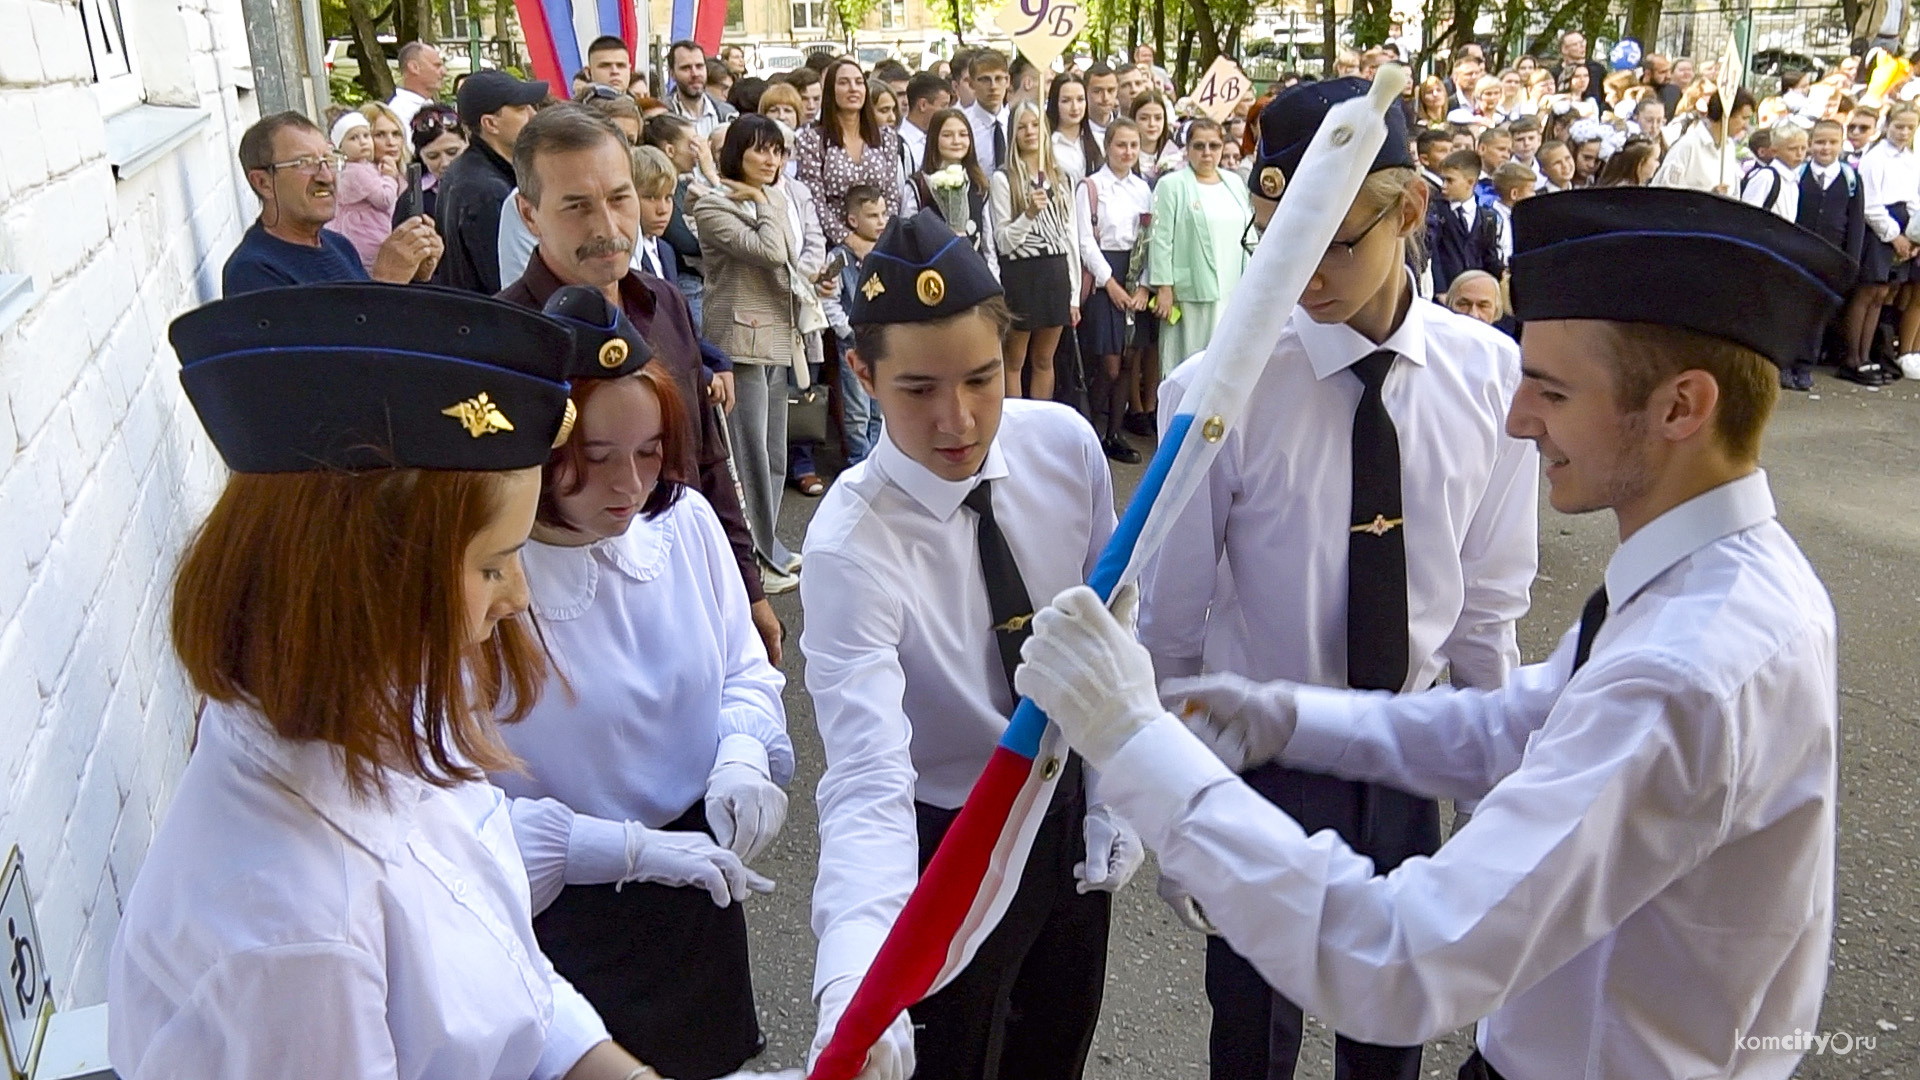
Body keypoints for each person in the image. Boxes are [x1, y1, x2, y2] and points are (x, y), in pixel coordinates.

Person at [1016, 185, 1850, 1080]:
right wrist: (1285, 718)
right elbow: (1516, 723)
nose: (1521, 418)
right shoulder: (1709, 579)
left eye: (1555, 390)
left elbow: (1403, 959)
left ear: (1683, 408)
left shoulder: (1689, 670)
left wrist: (1135, 744)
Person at [111, 283, 659, 1080]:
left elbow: (505, 980)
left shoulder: (388, 712)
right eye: (492, 565)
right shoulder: (297, 937)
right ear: (366, 580)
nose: (519, 598)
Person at [1140, 77, 1538, 1080]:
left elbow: (1487, 613)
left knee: (1391, 1032)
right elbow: (1173, 629)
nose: (1303, 275)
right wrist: (1174, 805)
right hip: (1258, 755)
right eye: (1276, 242)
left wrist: (1504, 792)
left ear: (1408, 210)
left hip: (1410, 748)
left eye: (1332, 243)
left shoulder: (1490, 379)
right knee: (1252, 1035)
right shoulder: (1219, 390)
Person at [803, 208, 1140, 1080]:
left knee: (1057, 1043)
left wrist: (1115, 791)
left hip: (1063, 813)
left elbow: (1114, 625)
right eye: (917, 390)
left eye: (983, 380)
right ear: (862, 375)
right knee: (954, 1055)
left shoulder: (1063, 445)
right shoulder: (850, 544)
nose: (958, 420)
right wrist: (854, 974)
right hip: (945, 840)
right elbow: (868, 775)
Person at [498, 288, 790, 1080]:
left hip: (698, 883)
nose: (629, 485)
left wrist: (740, 756)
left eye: (652, 450)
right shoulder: (492, 576)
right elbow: (452, 800)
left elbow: (742, 670)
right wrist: (617, 850)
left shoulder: (684, 524)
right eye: (595, 461)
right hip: (558, 910)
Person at [499, 105, 784, 662]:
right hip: (572, 623)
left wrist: (745, 587)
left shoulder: (665, 301)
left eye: (619, 197)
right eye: (577, 206)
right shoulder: (502, 339)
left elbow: (706, 456)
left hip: (690, 591)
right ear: (530, 215)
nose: (607, 227)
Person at [694, 115, 811, 585]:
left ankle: (772, 545)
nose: (771, 160)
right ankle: (756, 559)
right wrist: (764, 202)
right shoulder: (710, 204)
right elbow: (769, 251)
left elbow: (791, 253)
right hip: (740, 339)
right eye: (760, 150)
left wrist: (768, 201)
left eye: (777, 151)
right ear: (736, 154)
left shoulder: (776, 196)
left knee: (775, 452)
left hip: (778, 335)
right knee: (749, 456)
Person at [223, 111, 441, 294]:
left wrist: (415, 275)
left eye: (329, 160)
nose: (326, 176)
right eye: (304, 163)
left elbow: (381, 325)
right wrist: (386, 281)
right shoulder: (254, 271)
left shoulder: (339, 245)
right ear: (263, 182)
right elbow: (342, 341)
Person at [991, 99, 1081, 400]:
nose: (1030, 132)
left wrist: (1074, 292)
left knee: (1045, 358)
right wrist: (1028, 214)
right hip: (1022, 273)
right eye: (1022, 127)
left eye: (1035, 125)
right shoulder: (1004, 179)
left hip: (1055, 273)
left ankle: (1041, 420)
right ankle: (1015, 424)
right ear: (1013, 133)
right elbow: (1004, 241)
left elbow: (1070, 236)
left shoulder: (1062, 177)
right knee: (1014, 359)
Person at [1148, 117, 1251, 374]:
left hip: (1233, 288)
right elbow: (1161, 239)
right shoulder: (1171, 185)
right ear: (1187, 149)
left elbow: (1250, 233)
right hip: (1190, 289)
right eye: (1199, 146)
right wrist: (1164, 287)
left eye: (1214, 146)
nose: (1207, 153)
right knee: (1190, 364)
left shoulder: (1235, 183)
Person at [1075, 118, 1151, 463]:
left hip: (1133, 272)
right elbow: (1085, 242)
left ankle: (1113, 433)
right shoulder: (1091, 186)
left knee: (1129, 358)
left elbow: (1150, 239)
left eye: (1133, 145)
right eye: (1121, 145)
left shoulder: (1143, 188)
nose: (1128, 152)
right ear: (1108, 147)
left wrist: (1142, 286)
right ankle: (1088, 429)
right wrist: (1111, 284)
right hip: (1104, 275)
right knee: (1108, 363)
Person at [436, 69, 548, 294]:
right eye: (521, 108)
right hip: (491, 320)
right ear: (490, 124)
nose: (533, 115)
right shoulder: (488, 191)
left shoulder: (464, 172)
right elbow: (503, 278)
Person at [794, 57, 903, 247]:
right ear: (830, 90)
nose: (853, 88)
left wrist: (882, 238)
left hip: (881, 241)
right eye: (844, 83)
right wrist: (850, 241)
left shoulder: (885, 137)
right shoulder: (812, 140)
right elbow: (815, 202)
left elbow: (892, 195)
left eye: (859, 82)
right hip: (833, 244)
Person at [819, 185, 889, 465]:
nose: (881, 221)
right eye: (873, 215)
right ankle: (859, 461)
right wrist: (846, 331)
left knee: (880, 408)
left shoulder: (888, 253)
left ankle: (879, 460)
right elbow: (827, 298)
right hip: (854, 345)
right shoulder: (838, 258)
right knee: (857, 409)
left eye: (883, 214)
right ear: (852, 221)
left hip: (884, 344)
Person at [1797, 117, 1868, 389]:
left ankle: (1806, 364)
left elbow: (1856, 221)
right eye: (1819, 142)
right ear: (1810, 143)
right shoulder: (1801, 175)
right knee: (1796, 309)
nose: (1825, 148)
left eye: (1832, 142)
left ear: (1841, 144)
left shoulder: (1850, 178)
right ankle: (1789, 362)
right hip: (1801, 253)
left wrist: (1851, 260)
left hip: (1831, 255)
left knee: (1818, 311)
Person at [1854, 100, 1919, 385]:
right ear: (1887, 125)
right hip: (1882, 228)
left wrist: (1914, 236)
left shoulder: (1912, 159)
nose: (1904, 132)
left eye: (1910, 127)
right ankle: (1855, 357)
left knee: (1886, 295)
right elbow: (1870, 204)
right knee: (1870, 292)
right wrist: (1894, 235)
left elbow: (1914, 198)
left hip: (1906, 227)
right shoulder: (1876, 157)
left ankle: (1873, 355)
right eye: (1899, 126)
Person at [912, 107, 998, 275]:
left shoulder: (979, 186)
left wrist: (992, 280)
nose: (956, 141)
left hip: (973, 275)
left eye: (963, 134)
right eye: (947, 135)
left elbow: (988, 244)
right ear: (934, 139)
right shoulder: (919, 185)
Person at [325, 110, 401, 272]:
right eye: (353, 138)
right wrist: (390, 177)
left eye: (366, 136)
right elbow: (384, 199)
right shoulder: (357, 172)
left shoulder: (363, 167)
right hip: (367, 237)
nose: (363, 142)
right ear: (340, 147)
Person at [1650, 86, 1756, 191]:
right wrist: (1708, 198)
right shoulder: (1688, 146)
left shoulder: (1729, 148)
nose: (1746, 125)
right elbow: (1665, 193)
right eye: (1744, 118)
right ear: (1725, 115)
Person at [1428, 149, 1505, 294]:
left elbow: (1490, 257)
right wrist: (1440, 290)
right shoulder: (1435, 211)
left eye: (1450, 180)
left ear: (1470, 182)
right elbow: (1434, 254)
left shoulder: (1488, 217)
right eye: (1443, 179)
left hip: (1477, 291)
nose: (1444, 186)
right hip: (1447, 292)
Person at [394, 103, 466, 223]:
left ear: (467, 143)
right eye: (433, 156)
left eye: (452, 152)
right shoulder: (411, 201)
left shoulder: (491, 182)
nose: (445, 163)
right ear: (421, 156)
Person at [667, 40, 739, 137]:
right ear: (672, 73)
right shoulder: (663, 117)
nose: (695, 74)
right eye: (686, 68)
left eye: (699, 66)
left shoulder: (729, 115)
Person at [1741, 121, 1808, 220]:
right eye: (1792, 149)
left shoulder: (1794, 180)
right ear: (1774, 151)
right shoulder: (1766, 176)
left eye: (1803, 148)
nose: (1799, 154)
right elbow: (1748, 213)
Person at [1047, 72, 1103, 186]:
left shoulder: (1100, 142)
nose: (1075, 107)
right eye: (1066, 100)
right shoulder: (1046, 145)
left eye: (1080, 99)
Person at [965, 49, 1013, 173]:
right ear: (971, 84)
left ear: (1007, 81)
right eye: (985, 80)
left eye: (998, 79)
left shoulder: (1017, 122)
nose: (993, 87)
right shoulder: (964, 125)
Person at [388, 40, 447, 128]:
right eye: (437, 65)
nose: (444, 72)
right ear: (414, 67)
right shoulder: (399, 113)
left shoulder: (428, 105)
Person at [1132, 91, 1181, 180]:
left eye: (1158, 118)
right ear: (1133, 119)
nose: (1152, 124)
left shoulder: (1174, 155)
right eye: (1144, 118)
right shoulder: (1124, 154)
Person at [1085, 62, 1121, 141]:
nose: (1105, 98)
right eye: (1097, 91)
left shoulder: (1125, 128)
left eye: (1110, 90)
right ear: (1085, 92)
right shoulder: (1076, 132)